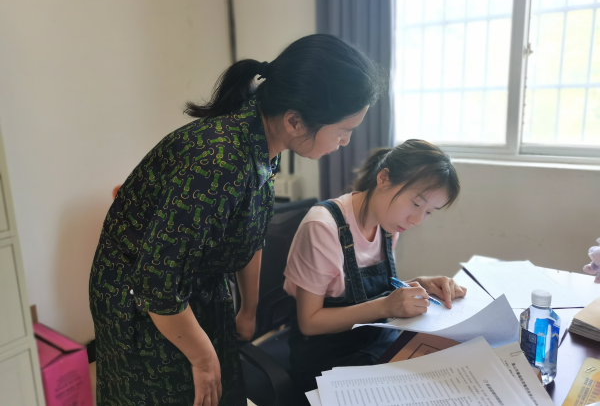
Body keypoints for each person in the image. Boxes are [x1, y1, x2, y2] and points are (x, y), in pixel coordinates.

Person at [88, 34, 386, 406]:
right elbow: (157, 285)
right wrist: (202, 358)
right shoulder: (218, 161)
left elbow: (251, 233)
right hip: (142, 296)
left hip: (194, 278)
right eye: (343, 131)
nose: (345, 142)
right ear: (295, 121)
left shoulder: (265, 136)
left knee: (221, 385)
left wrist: (249, 308)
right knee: (185, 388)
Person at [283, 139, 466, 392]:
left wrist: (417, 285)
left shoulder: (388, 224)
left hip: (376, 345)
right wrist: (386, 306)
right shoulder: (323, 227)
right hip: (327, 361)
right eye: (416, 204)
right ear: (383, 179)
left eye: (429, 212)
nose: (417, 219)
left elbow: (365, 293)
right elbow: (309, 322)